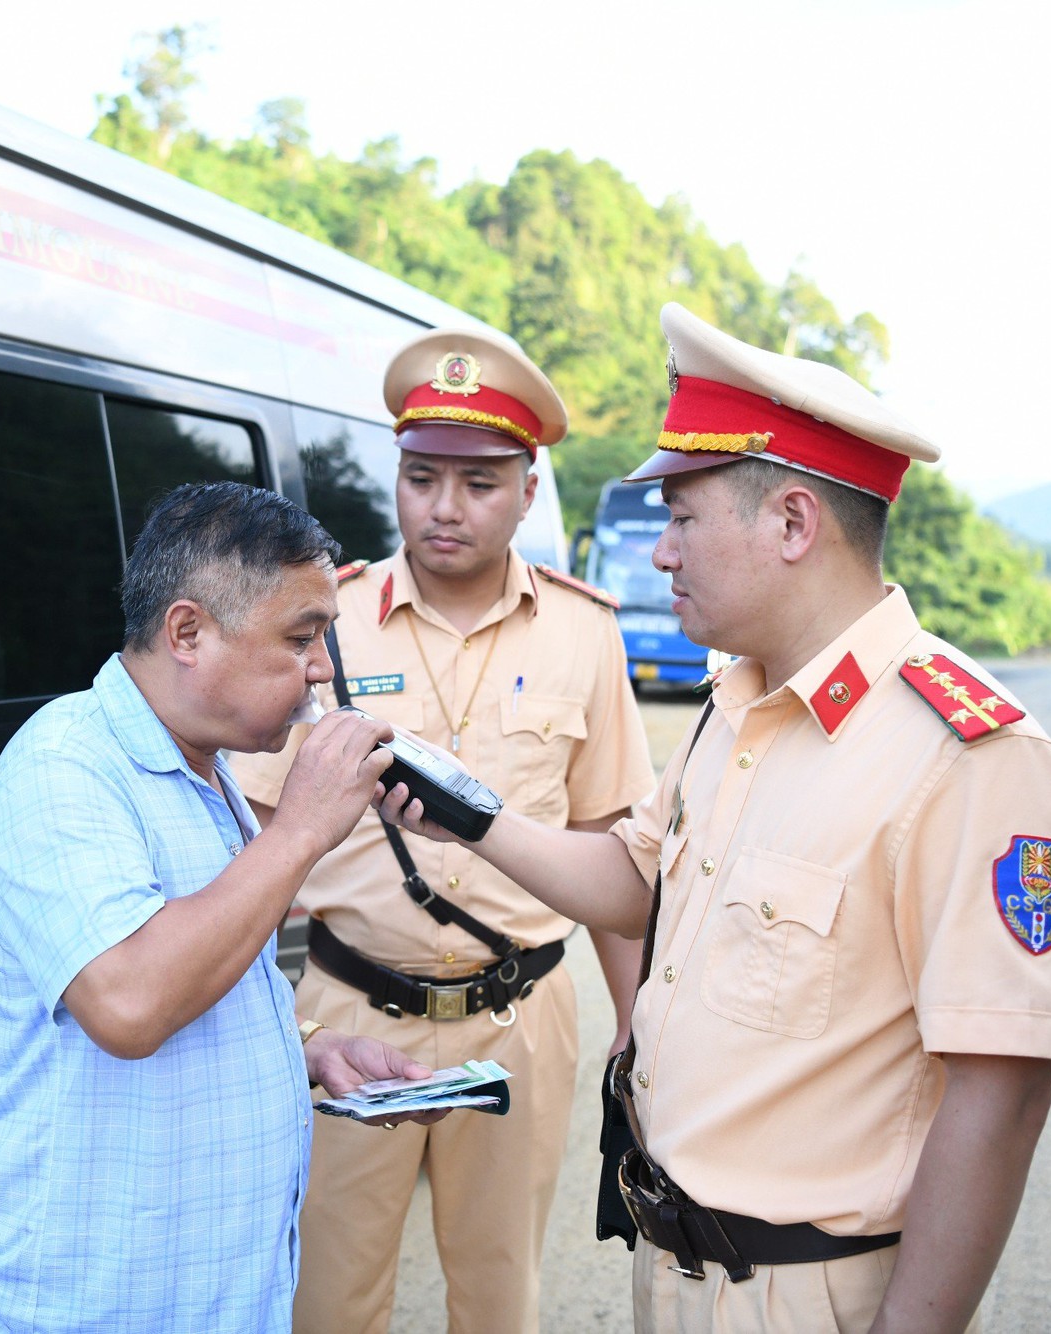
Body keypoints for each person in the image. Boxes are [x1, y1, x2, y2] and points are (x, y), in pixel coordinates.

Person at [378, 303, 1051, 1333]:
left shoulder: (969, 756)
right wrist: (471, 817)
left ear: (791, 522)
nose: (658, 553)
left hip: (809, 1294)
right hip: (673, 1271)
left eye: (681, 517)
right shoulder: (738, 700)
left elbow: (1003, 1090)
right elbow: (634, 882)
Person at [0, 481, 446, 1333]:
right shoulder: (63, 767)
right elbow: (131, 1002)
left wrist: (313, 1049)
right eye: (301, 637)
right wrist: (301, 832)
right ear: (187, 632)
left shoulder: (206, 770)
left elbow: (208, 958)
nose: (323, 667)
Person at [233, 325, 656, 1334]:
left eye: (476, 482)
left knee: (498, 1295)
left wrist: (642, 1027)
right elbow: (246, 840)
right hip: (345, 1010)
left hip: (520, 1019)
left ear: (525, 486)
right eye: (421, 477)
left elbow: (610, 849)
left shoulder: (583, 631)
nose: (444, 507)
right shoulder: (322, 620)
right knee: (327, 1298)